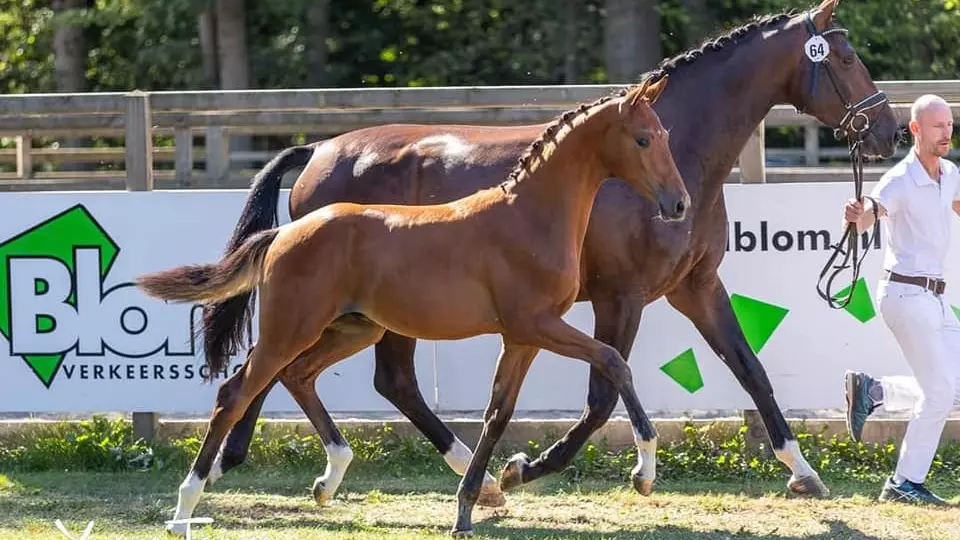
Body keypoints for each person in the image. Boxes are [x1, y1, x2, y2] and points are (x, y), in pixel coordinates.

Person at [842, 93, 958, 506]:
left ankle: (876, 392)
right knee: (940, 392)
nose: (947, 132)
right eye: (937, 126)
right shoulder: (900, 180)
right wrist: (861, 215)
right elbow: (874, 210)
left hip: (937, 299)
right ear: (915, 130)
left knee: (951, 387)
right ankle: (904, 482)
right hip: (906, 294)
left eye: (948, 124)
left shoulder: (950, 172)